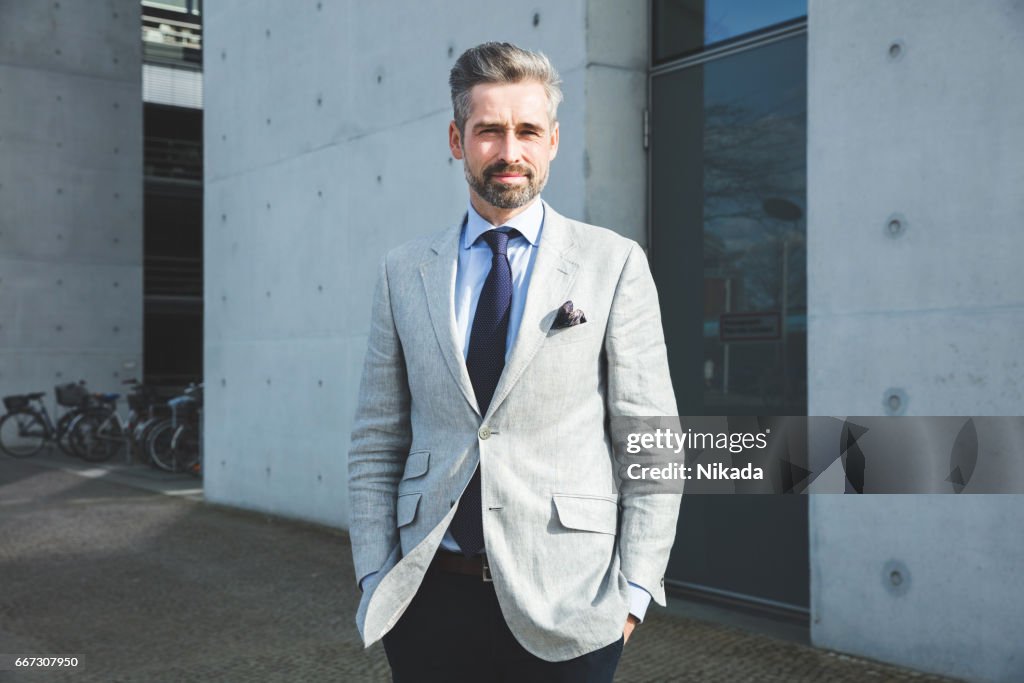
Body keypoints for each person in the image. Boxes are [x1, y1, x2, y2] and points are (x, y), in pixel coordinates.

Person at [348, 41, 681, 682]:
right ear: (456, 138)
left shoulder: (612, 263)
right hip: (426, 597)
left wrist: (635, 590)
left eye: (528, 130)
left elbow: (651, 440)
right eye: (489, 131)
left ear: (553, 141)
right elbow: (375, 438)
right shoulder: (404, 271)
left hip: (570, 604)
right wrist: (373, 573)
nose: (509, 152)